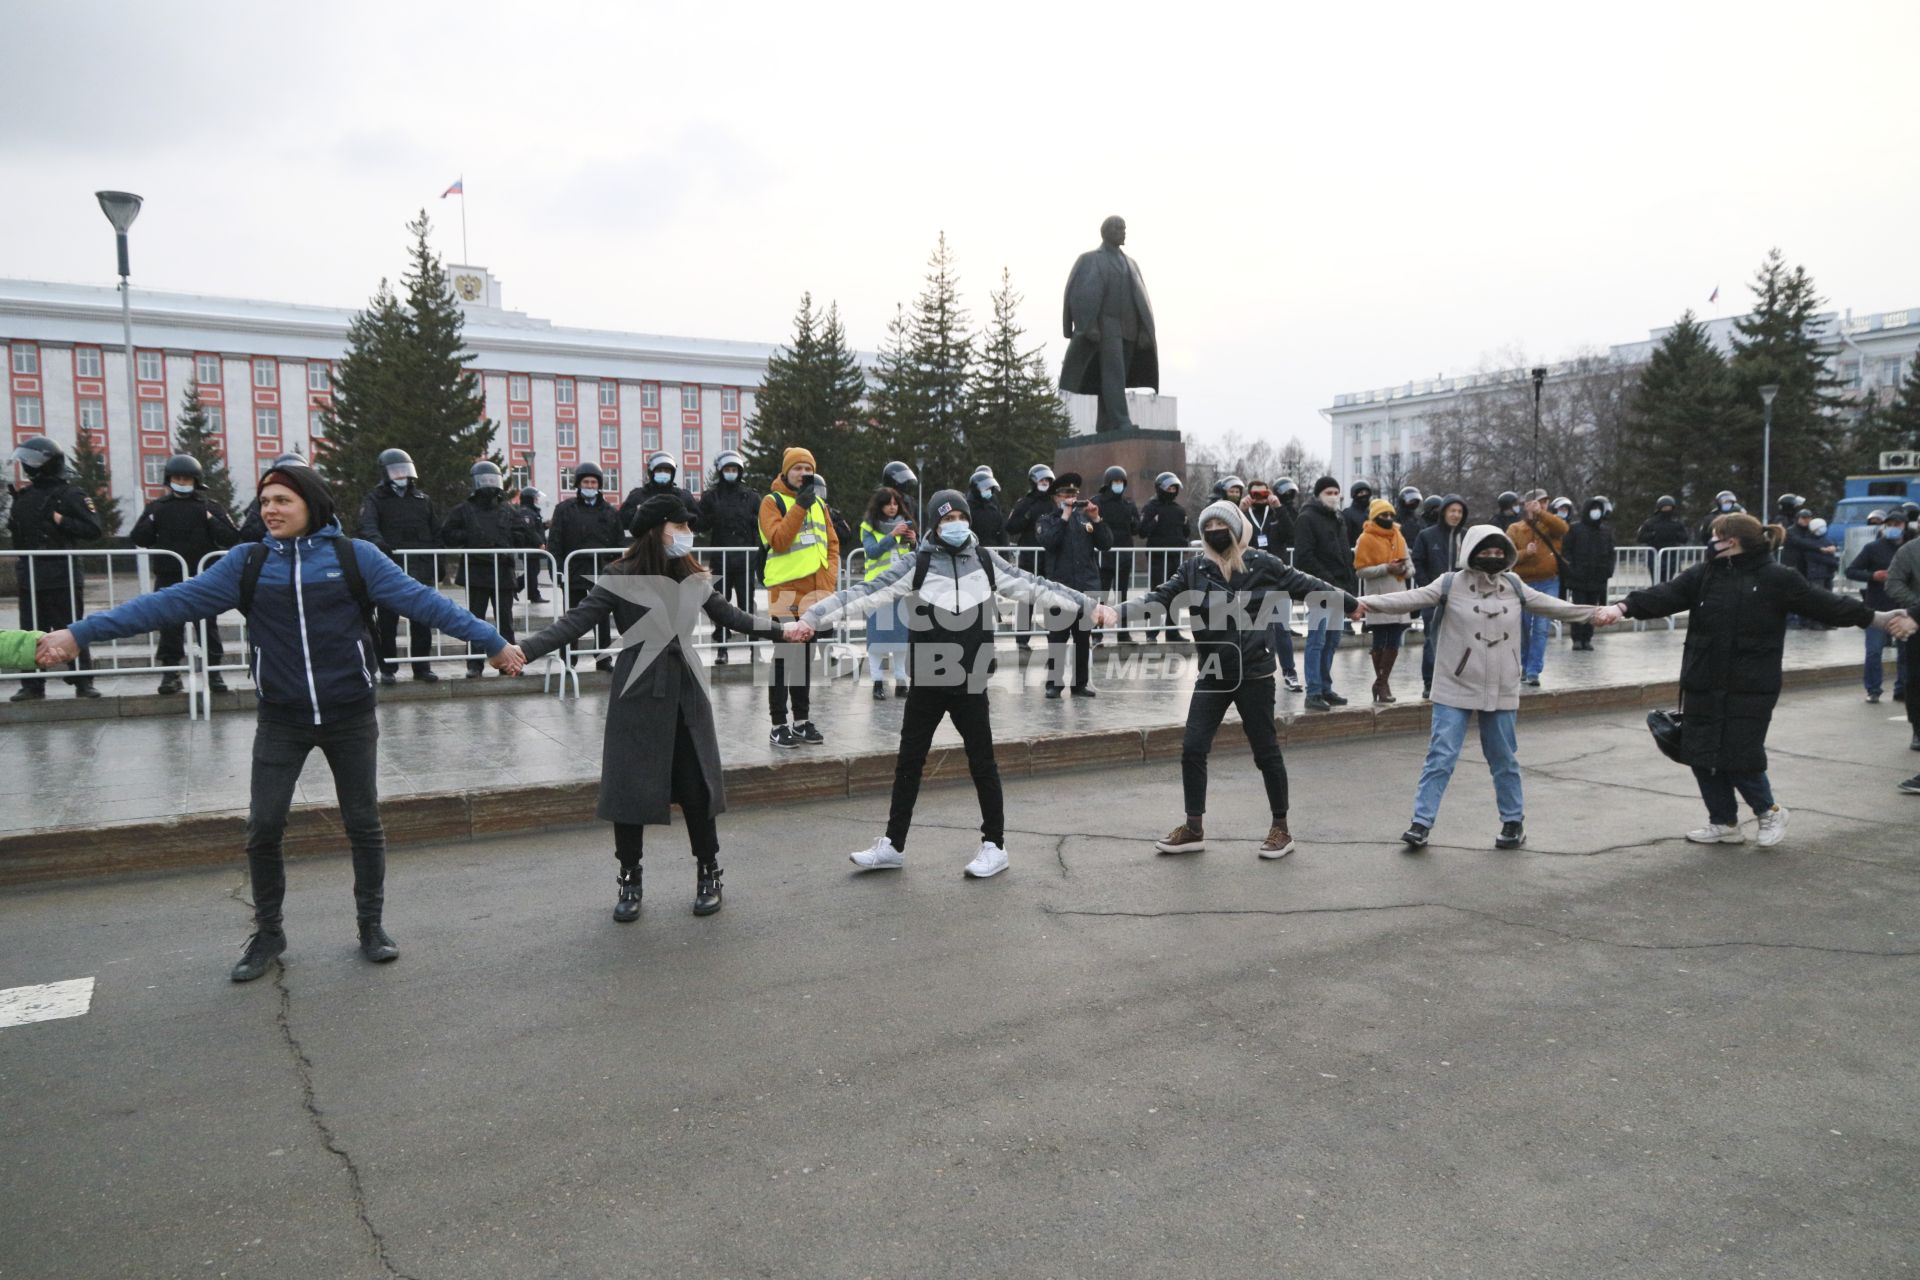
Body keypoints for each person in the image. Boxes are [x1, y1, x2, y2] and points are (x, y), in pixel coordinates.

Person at [37, 464, 521, 980]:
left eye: (282, 501)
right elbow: (168, 603)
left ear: (311, 504)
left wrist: (493, 642)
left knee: (363, 823)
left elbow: (425, 602)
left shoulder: (355, 557)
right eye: (265, 500)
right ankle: (268, 934)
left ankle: (370, 927)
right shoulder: (248, 563)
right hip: (282, 718)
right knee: (264, 826)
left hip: (350, 713)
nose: (270, 509)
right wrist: (80, 633)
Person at [802, 489, 1117, 878]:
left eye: (960, 518)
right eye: (946, 520)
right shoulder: (916, 564)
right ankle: (892, 845)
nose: (955, 526)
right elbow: (865, 593)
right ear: (934, 524)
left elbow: (1037, 585)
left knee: (982, 764)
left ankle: (995, 845)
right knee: (908, 764)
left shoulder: (986, 561)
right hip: (927, 682)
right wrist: (812, 618)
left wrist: (1092, 606)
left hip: (970, 680)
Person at [510, 493, 791, 921]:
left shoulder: (695, 576)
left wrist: (782, 631)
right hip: (637, 695)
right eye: (680, 526)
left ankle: (709, 872)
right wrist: (524, 651)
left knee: (697, 790)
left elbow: (731, 615)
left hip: (687, 695)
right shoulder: (618, 575)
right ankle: (629, 878)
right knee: (630, 791)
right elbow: (575, 622)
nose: (688, 535)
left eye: (689, 527)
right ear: (656, 530)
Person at [1597, 513, 1914, 845]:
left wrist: (1876, 618)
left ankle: (1769, 812)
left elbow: (1826, 605)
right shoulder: (1704, 574)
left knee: (1740, 754)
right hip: (1703, 678)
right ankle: (1723, 822)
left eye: (1716, 536)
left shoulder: (1777, 577)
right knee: (1699, 751)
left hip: (1751, 683)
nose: (1711, 542)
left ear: (1731, 541)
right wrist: (1622, 608)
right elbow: (1665, 595)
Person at [1123, 501, 1356, 857]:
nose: (1215, 530)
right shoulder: (1194, 569)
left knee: (1266, 753)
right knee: (1192, 748)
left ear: (1236, 529)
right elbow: (1159, 597)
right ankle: (1194, 827)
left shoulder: (1263, 565)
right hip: (1213, 672)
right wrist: (1114, 612)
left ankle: (1281, 828)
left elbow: (1308, 584)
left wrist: (1350, 601)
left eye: (1222, 524)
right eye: (1209, 525)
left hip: (1255, 673)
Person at [1356, 525, 1603, 850]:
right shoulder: (1449, 584)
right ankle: (1421, 824)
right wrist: (1356, 602)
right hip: (1455, 684)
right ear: (1471, 552)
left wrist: (1598, 613)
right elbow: (1405, 598)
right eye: (1485, 551)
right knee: (1441, 756)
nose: (1492, 557)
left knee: (1503, 757)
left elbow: (1555, 606)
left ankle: (1513, 823)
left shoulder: (1514, 585)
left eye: (1499, 551)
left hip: (1501, 685)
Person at [130, 454, 244, 694]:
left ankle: (214, 673)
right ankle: (170, 674)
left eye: (186, 478)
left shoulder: (209, 507)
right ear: (169, 480)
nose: (181, 481)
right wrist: (151, 521)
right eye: (177, 477)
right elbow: (139, 538)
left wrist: (211, 520)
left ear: (196, 480)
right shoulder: (157, 508)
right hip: (169, 576)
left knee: (207, 627)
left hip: (203, 577)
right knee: (169, 626)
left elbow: (232, 537)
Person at [8, 437, 103, 701]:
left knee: (72, 630)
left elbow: (93, 528)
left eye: (32, 462)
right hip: (30, 576)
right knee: (29, 633)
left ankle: (83, 682)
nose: (27, 467)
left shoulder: (70, 494)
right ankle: (32, 685)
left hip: (63, 576)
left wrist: (62, 521)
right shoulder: (24, 497)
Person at [758, 447, 840, 748]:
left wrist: (828, 581)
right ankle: (778, 723)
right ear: (786, 472)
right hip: (785, 591)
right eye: (798, 468)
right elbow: (779, 541)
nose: (804, 473)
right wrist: (799, 507)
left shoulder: (819, 503)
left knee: (805, 658)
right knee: (784, 658)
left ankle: (801, 720)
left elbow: (832, 544)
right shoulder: (772, 501)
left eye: (809, 469)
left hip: (815, 593)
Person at [440, 460, 539, 678]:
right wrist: (468, 537)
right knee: (475, 620)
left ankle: (509, 664)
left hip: (502, 572)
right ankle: (475, 664)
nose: (488, 485)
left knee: (506, 621)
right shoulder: (464, 510)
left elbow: (523, 535)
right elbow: (447, 534)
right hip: (477, 571)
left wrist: (514, 540)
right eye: (483, 481)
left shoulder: (508, 510)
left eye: (491, 480)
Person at [357, 448, 442, 684]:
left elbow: (437, 533)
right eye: (396, 470)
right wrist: (378, 544)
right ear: (385, 473)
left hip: (420, 569)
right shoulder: (375, 499)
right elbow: (367, 525)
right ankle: (387, 668)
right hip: (389, 568)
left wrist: (439, 562)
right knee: (387, 622)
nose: (401, 475)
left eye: (404, 470)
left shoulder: (423, 500)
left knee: (422, 620)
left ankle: (422, 667)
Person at [1035, 472, 1111, 697]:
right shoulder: (1047, 520)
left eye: (1075, 494)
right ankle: (1054, 684)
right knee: (1057, 638)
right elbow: (1049, 542)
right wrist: (1064, 516)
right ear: (1056, 497)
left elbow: (1106, 543)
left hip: (1085, 587)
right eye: (1067, 494)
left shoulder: (1085, 519)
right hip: (1060, 589)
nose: (1072, 498)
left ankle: (1080, 684)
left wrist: (1097, 519)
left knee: (1082, 638)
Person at [546, 462, 626, 672]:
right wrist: (557, 569)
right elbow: (555, 542)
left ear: (599, 485)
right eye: (585, 482)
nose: (589, 485)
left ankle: (603, 658)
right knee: (573, 617)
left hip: (602, 572)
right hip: (574, 573)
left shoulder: (609, 511)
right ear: (578, 484)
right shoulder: (564, 509)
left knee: (601, 618)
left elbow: (619, 542)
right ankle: (568, 659)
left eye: (593, 482)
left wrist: (617, 569)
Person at [1292, 476, 1357, 710]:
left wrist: (1349, 587)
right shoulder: (1307, 518)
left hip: (1339, 590)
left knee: (1332, 640)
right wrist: (1327, 582)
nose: (1333, 495)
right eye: (1328, 491)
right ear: (1319, 494)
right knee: (1317, 640)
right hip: (1319, 589)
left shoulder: (1339, 518)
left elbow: (1345, 555)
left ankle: (1325, 687)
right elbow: (1304, 557)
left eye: (1336, 492)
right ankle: (1314, 691)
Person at [696, 450, 762, 665]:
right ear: (721, 471)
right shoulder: (712, 496)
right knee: (720, 606)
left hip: (744, 561)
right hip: (721, 560)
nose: (731, 473)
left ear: (740, 472)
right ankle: (722, 650)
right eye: (727, 470)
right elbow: (699, 523)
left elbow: (761, 524)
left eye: (734, 470)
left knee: (747, 606)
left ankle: (755, 649)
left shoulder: (751, 496)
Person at [1846, 509, 1910, 704]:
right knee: (1874, 651)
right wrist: (1872, 576)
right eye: (1889, 524)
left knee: (1905, 653)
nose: (1893, 528)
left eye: (1897, 525)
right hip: (1877, 607)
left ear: (1905, 526)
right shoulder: (1873, 548)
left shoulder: (1910, 549)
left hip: (1904, 608)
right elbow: (1851, 570)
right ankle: (1873, 689)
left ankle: (1902, 689)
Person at [1353, 497, 1413, 703]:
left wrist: (1403, 568)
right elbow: (1361, 570)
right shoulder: (1365, 538)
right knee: (1380, 640)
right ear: (1375, 517)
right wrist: (1386, 567)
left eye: (1390, 515)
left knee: (1395, 641)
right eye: (1383, 516)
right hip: (1377, 595)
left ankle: (1381, 683)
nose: (1388, 518)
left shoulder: (1399, 535)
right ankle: (1382, 684)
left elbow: (1411, 567)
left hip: (1398, 595)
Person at [1243, 480, 1301, 691]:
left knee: (1282, 628)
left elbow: (1292, 534)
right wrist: (1240, 511)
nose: (1259, 498)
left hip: (1277, 578)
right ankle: (1254, 672)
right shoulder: (1245, 513)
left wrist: (1279, 508)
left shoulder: (1278, 513)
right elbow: (1233, 536)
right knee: (1252, 628)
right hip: (1250, 579)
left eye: (1263, 494)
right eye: (1255, 494)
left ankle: (1289, 671)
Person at [1507, 488, 1568, 686]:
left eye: (1544, 502)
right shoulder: (1515, 529)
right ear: (1526, 505)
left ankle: (1534, 670)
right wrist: (1525, 553)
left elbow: (1563, 528)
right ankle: (1524, 665)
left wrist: (1541, 514)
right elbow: (1508, 557)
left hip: (1549, 581)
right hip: (1523, 583)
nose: (1541, 505)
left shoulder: (1550, 525)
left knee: (1541, 628)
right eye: (1537, 502)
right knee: (1524, 627)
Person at [859, 487, 915, 698]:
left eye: (895, 503)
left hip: (900, 588)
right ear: (879, 505)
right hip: (877, 588)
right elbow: (872, 552)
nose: (892, 507)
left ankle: (901, 682)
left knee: (901, 639)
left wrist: (913, 541)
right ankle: (877, 682)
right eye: (888, 503)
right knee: (877, 639)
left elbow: (912, 556)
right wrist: (892, 535)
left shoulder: (904, 526)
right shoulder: (868, 526)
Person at [1410, 494, 1468, 699]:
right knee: (1432, 640)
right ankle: (1429, 681)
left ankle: (1455, 679)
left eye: (1459, 512)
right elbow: (1417, 562)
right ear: (1443, 512)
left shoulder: (1467, 536)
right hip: (1434, 598)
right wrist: (1429, 588)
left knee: (1460, 640)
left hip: (1461, 599)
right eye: (1452, 511)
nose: (1456, 515)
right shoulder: (1427, 535)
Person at [1003, 463, 1056, 649]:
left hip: (1049, 558)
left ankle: (1054, 638)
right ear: (1034, 481)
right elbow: (1010, 527)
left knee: (1051, 599)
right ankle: (1022, 638)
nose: (1045, 483)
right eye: (1041, 480)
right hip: (1029, 558)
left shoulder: (1053, 502)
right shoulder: (1025, 503)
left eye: (1047, 480)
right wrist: (1026, 516)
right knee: (1026, 599)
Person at [1135, 471, 1192, 642]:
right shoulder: (1151, 507)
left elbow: (1185, 532)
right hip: (1158, 559)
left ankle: (1172, 632)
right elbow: (1142, 531)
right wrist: (1154, 522)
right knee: (1157, 594)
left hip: (1175, 558)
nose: (1172, 490)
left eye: (1175, 487)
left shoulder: (1179, 510)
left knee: (1175, 595)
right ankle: (1152, 632)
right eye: (1169, 487)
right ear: (1160, 488)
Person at [1560, 495, 1615, 651]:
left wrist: (1608, 571)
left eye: (1598, 509)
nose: (1595, 512)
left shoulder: (1605, 531)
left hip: (1597, 578)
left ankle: (1588, 638)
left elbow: (1611, 553)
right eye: (1593, 509)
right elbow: (1567, 551)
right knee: (1578, 608)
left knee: (1593, 609)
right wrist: (1571, 570)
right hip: (1579, 578)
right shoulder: (1575, 529)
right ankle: (1577, 638)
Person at [1885, 534, 1920, 767]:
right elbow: (1893, 582)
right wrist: (1916, 605)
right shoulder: (1910, 551)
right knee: (1916, 679)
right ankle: (1918, 728)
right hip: (1916, 626)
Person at [1097, 465, 1140, 639]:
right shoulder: (1098, 502)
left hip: (1123, 556)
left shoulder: (1128, 504)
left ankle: (1123, 633)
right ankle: (1096, 632)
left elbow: (1136, 528)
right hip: (1104, 556)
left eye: (1121, 482)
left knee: (1122, 595)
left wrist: (1134, 521)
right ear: (1108, 483)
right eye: (1115, 482)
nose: (1118, 485)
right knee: (1101, 595)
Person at [620, 451, 700, 535]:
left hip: (676, 542)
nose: (663, 473)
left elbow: (699, 523)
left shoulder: (683, 496)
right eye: (659, 470)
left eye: (667, 470)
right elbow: (622, 522)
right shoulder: (637, 495)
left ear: (672, 473)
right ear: (651, 472)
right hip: (646, 544)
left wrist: (681, 517)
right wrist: (640, 513)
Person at [1636, 495, 1692, 580]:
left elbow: (1685, 538)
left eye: (1669, 508)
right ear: (1659, 508)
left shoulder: (1676, 522)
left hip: (1671, 557)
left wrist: (1675, 534)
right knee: (1656, 581)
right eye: (1664, 508)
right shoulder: (1651, 522)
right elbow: (1640, 537)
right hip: (1655, 556)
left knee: (1668, 581)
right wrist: (1653, 535)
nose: (1667, 510)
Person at [515, 486, 549, 603]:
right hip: (528, 548)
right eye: (534, 498)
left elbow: (536, 528)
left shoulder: (532, 512)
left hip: (532, 548)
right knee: (532, 572)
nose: (536, 500)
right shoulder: (525, 512)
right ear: (529, 499)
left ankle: (517, 588)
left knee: (533, 572)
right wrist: (539, 543)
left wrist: (546, 525)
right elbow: (529, 530)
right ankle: (531, 594)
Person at [966, 466, 1007, 547]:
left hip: (994, 551)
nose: (988, 491)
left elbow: (1002, 533)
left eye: (990, 488)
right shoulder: (967, 508)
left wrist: (1005, 553)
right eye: (985, 488)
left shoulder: (993, 508)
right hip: (974, 551)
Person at [1341, 479, 1374, 548]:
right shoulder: (1347, 513)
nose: (1364, 495)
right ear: (1355, 495)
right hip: (1355, 552)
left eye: (1366, 492)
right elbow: (1345, 537)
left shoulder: (1373, 512)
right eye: (1361, 493)